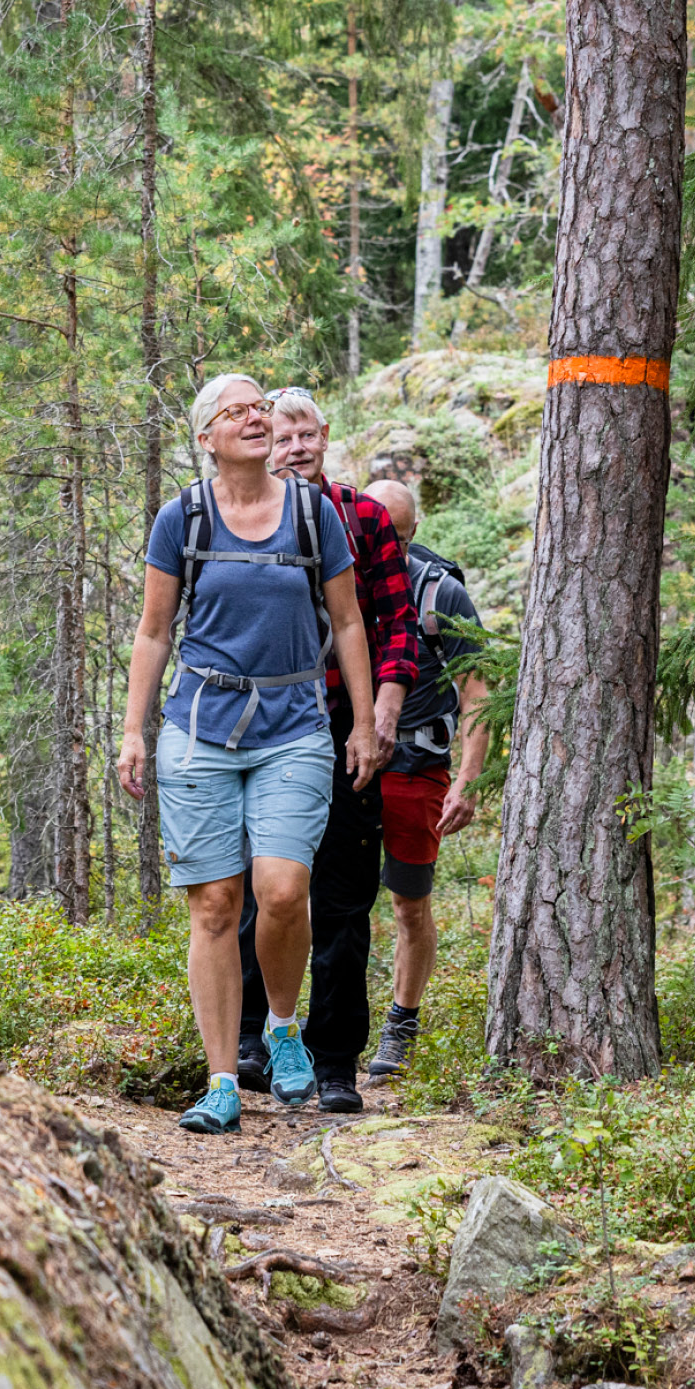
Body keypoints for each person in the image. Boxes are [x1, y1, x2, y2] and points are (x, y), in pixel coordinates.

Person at [118, 374, 386, 1135]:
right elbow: (152, 631)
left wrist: (362, 723)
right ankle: (221, 1081)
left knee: (281, 890)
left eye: (258, 408)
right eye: (234, 412)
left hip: (295, 725)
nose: (254, 418)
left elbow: (346, 620)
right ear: (206, 438)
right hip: (200, 725)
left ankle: (281, 1024)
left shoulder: (310, 512)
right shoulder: (183, 517)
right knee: (212, 904)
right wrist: (133, 729)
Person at [227, 387, 422, 1115]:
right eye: (280, 437)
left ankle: (335, 1059)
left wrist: (380, 719)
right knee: (261, 891)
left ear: (324, 436)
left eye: (305, 433)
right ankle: (249, 1038)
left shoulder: (363, 517)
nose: (295, 446)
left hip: (349, 735)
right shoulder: (242, 521)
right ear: (262, 447)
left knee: (343, 901)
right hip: (266, 736)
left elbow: (397, 624)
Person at [359, 478, 493, 1077]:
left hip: (417, 768)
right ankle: (318, 1025)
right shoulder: (335, 584)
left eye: (396, 529)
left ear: (411, 532)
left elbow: (477, 694)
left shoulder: (444, 594)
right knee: (327, 901)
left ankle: (400, 1025)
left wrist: (467, 778)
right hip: (344, 766)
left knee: (410, 904)